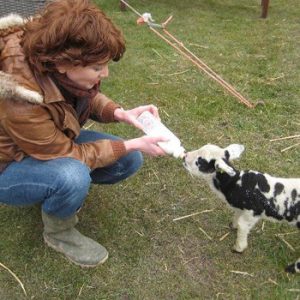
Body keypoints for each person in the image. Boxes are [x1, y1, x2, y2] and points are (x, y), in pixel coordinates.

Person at [0, 0, 168, 267]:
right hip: (9, 166)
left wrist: (120, 113)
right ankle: (59, 232)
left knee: (128, 159)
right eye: (97, 67)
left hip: (49, 143)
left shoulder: (56, 67)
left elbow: (84, 97)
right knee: (72, 174)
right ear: (63, 63)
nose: (106, 74)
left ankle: (56, 194)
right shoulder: (18, 95)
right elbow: (67, 154)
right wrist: (132, 143)